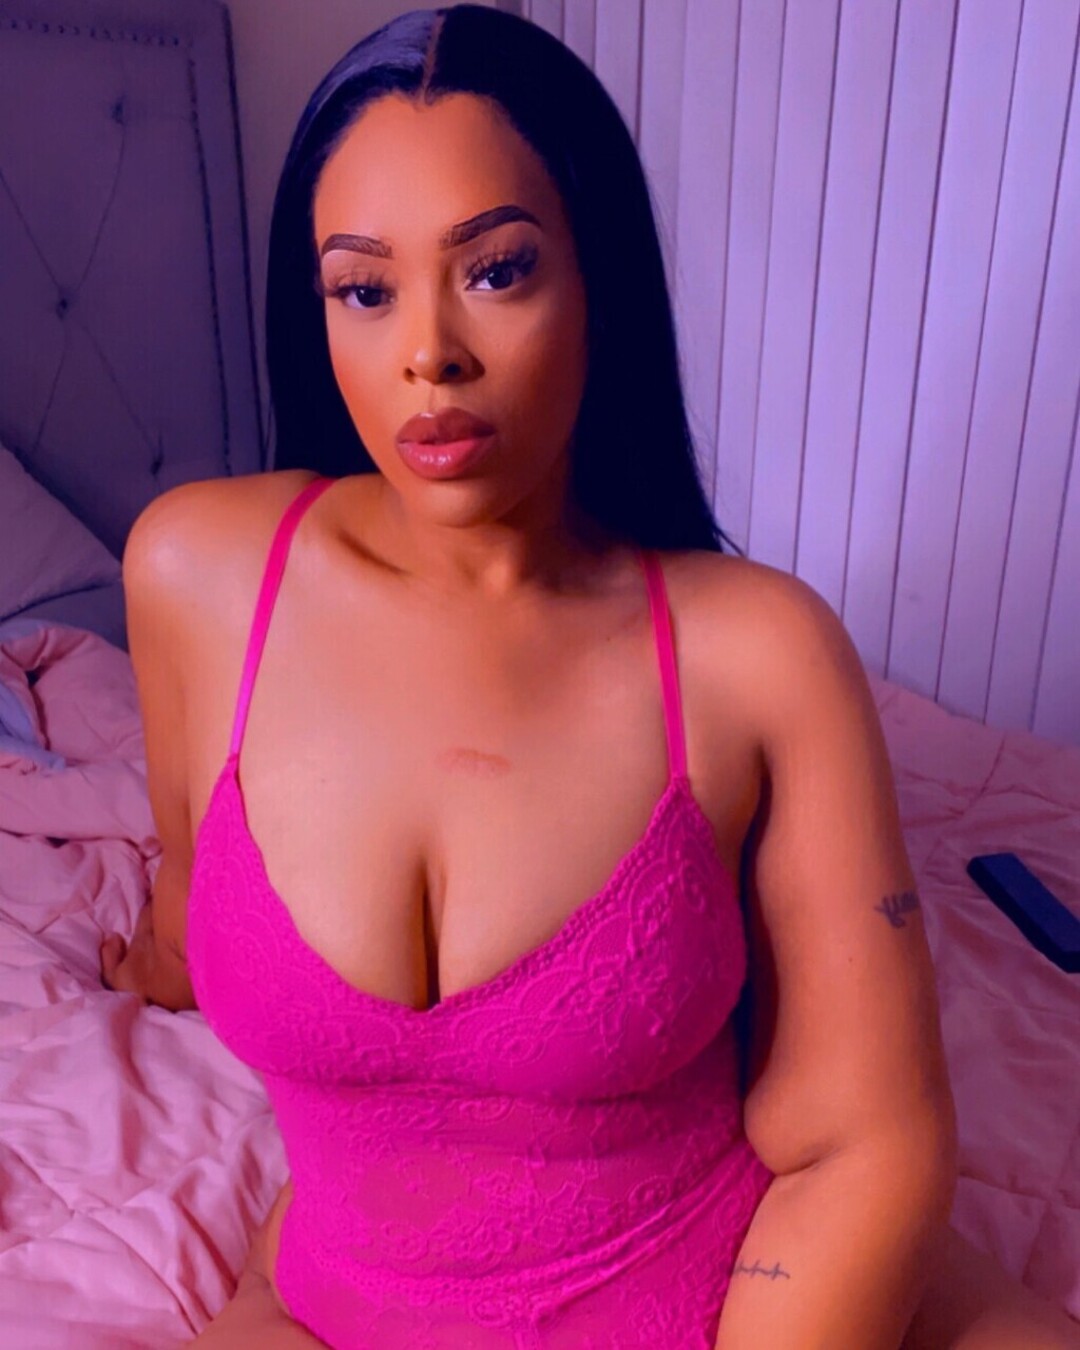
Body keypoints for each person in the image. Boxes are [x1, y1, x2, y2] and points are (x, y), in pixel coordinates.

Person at [101, 6, 1080, 1347]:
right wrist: (153, 963)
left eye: (497, 271)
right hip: (331, 1304)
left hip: (735, 1294)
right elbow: (188, 878)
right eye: (365, 289)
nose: (428, 351)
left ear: (596, 282)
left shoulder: (761, 651)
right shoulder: (194, 575)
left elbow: (865, 1144)